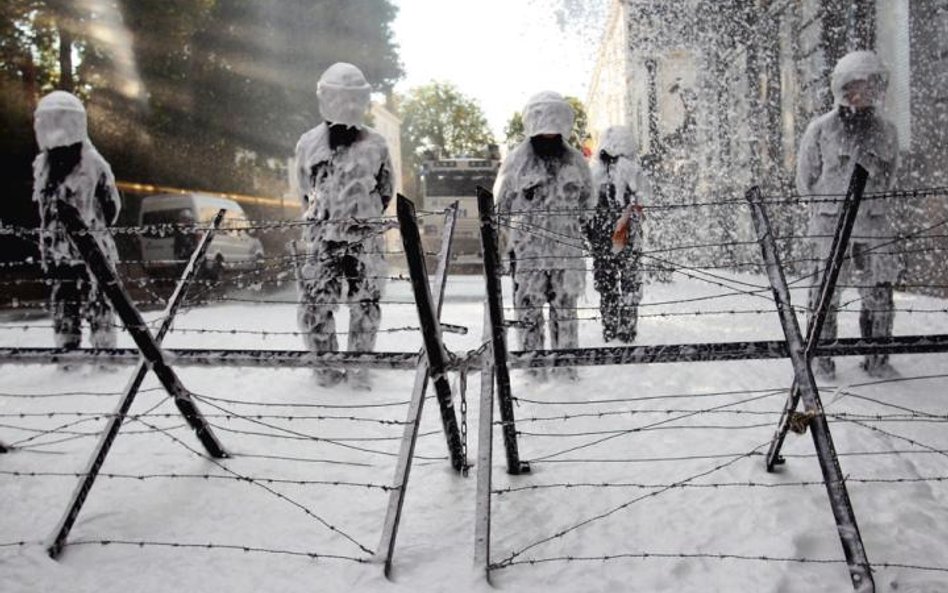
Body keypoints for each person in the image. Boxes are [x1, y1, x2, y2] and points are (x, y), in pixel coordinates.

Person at [796, 50, 900, 379]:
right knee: (826, 290)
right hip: (831, 223)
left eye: (869, 88)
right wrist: (827, 206)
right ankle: (821, 357)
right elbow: (805, 178)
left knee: (879, 290)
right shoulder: (820, 130)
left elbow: (891, 174)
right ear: (841, 88)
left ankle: (877, 358)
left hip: (872, 222)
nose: (861, 94)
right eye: (855, 87)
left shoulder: (887, 131)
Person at [294, 62, 394, 390]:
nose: (347, 106)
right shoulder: (308, 144)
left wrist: (362, 217)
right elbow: (303, 189)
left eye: (353, 99)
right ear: (327, 99)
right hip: (322, 239)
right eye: (340, 98)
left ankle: (359, 370)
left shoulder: (377, 144)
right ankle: (324, 372)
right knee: (316, 303)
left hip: (365, 238)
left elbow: (385, 189)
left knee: (365, 304)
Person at [494, 91, 594, 380]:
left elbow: (589, 202)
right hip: (529, 257)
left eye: (554, 133)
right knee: (529, 314)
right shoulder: (515, 163)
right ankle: (533, 371)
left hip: (566, 254)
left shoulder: (576, 162)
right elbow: (500, 208)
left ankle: (566, 371)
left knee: (565, 313)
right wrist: (503, 249)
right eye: (544, 134)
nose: (549, 139)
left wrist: (577, 229)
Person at [32, 91, 121, 357]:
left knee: (98, 293)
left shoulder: (93, 164)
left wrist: (91, 230)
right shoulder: (43, 165)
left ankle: (103, 346)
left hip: (90, 246)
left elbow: (111, 204)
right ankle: (67, 345)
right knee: (65, 296)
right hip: (58, 247)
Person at [587, 125, 651, 343]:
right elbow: (644, 204)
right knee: (630, 283)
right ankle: (627, 329)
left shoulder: (593, 173)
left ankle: (610, 327)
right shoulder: (634, 171)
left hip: (602, 242)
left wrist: (591, 237)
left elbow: (586, 211)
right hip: (629, 240)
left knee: (606, 286)